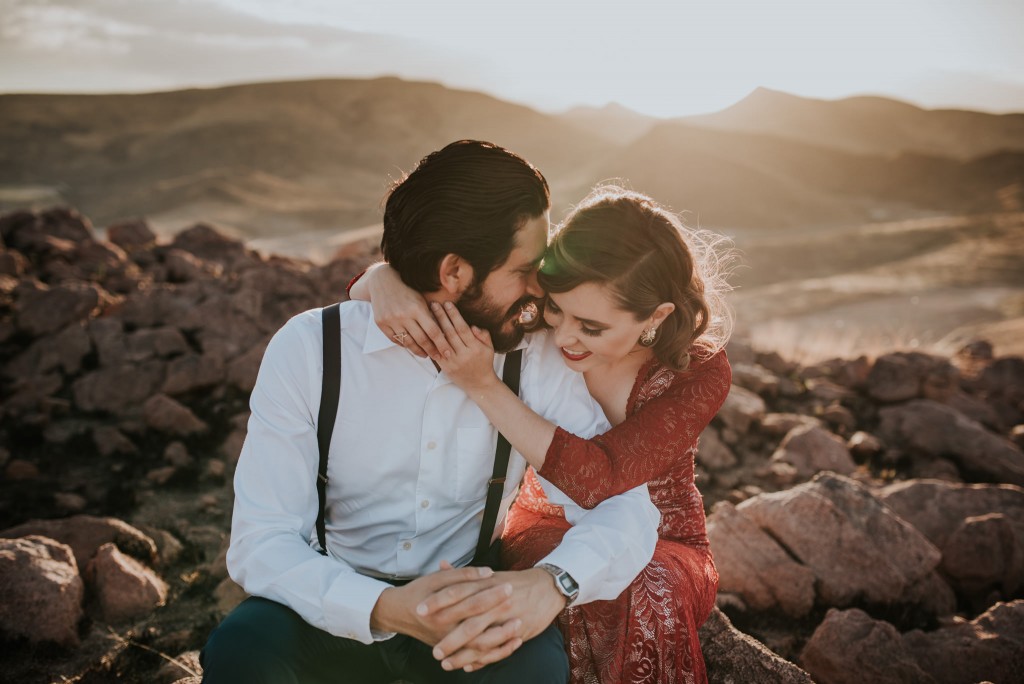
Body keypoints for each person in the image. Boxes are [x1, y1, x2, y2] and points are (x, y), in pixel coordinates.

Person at [200, 141, 660, 684]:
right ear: (454, 272)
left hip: (470, 612)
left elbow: (626, 509)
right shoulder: (310, 349)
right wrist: (380, 607)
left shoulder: (537, 356)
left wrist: (553, 583)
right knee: (242, 651)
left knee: (533, 672)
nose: (542, 286)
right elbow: (261, 540)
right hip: (332, 606)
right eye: (526, 268)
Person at [353, 184, 733, 683]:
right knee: (541, 581)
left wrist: (483, 385)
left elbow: (603, 479)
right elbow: (445, 295)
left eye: (591, 327)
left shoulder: (696, 372)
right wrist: (381, 279)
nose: (563, 336)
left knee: (642, 587)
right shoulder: (533, 322)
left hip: (664, 533)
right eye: (556, 308)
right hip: (544, 516)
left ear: (656, 316)